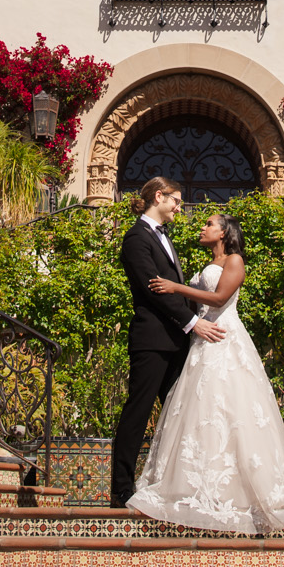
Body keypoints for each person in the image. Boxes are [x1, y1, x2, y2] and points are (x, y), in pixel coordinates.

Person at [124, 210, 284, 534]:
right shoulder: (207, 263)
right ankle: (198, 487)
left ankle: (243, 492)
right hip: (202, 341)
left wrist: (176, 288)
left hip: (224, 337)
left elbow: (220, 297)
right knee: (201, 413)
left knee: (231, 409)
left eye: (209, 223)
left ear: (224, 232)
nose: (203, 226)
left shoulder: (234, 261)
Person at [110, 175, 226, 509]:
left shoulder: (163, 237)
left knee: (183, 414)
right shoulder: (136, 238)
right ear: (159, 196)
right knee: (138, 411)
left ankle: (183, 487)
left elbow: (173, 288)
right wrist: (195, 324)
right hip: (152, 341)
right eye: (176, 200)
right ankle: (121, 489)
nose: (179, 207)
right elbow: (152, 289)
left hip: (177, 342)